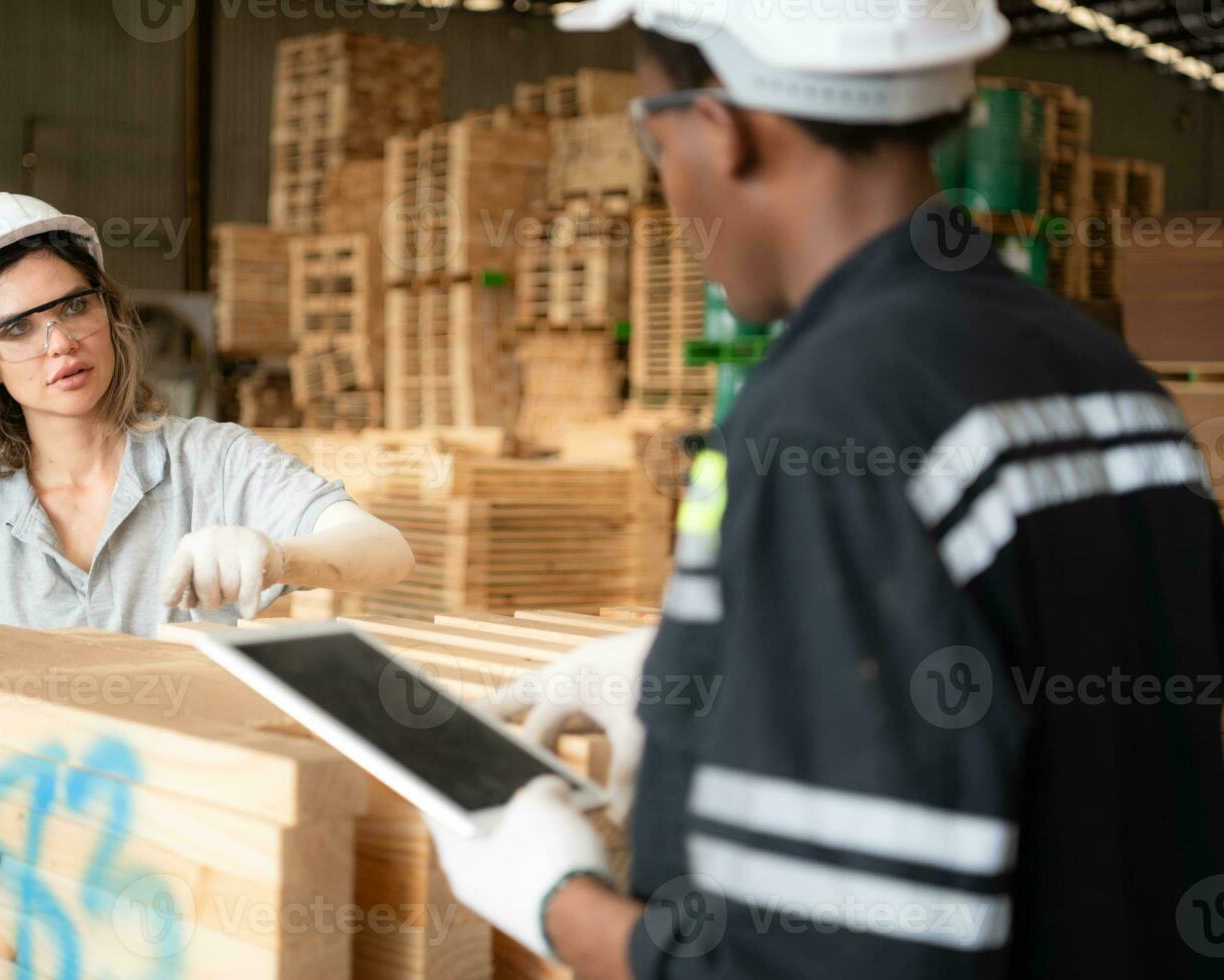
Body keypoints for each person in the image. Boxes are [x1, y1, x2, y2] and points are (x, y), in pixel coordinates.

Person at [425, 1, 1224, 977]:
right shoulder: (1107, 377)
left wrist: (558, 903)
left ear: (723, 128)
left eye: (655, 136)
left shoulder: (828, 420)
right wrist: (725, 669)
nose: (668, 187)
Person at [0, 191, 413, 636]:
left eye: (75, 307)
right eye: (19, 329)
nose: (61, 344)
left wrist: (277, 557)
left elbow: (386, 551)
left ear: (109, 312)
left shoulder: (213, 465)